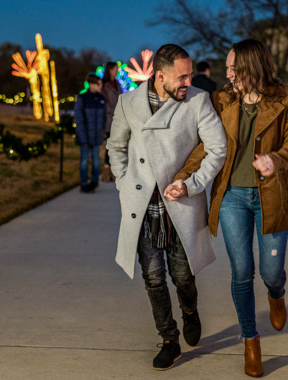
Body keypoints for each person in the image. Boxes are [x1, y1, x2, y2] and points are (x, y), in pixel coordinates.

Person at [165, 39, 288, 377]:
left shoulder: (286, 97)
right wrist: (183, 178)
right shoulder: (222, 100)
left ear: (252, 68)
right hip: (231, 198)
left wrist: (276, 159)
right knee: (241, 273)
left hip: (272, 198)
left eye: (233, 68)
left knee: (270, 273)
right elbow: (205, 146)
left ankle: (277, 293)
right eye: (228, 67)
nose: (227, 73)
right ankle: (251, 341)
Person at [106, 44, 226, 370]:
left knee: (183, 275)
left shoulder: (197, 101)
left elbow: (217, 148)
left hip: (181, 203)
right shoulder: (129, 102)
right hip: (144, 207)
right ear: (160, 76)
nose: (189, 81)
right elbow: (115, 146)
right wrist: (122, 183)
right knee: (154, 277)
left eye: (190, 74)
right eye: (182, 76)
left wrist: (192, 183)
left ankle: (189, 309)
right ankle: (169, 340)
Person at [74, 73, 106, 193]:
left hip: (96, 137)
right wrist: (83, 138)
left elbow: (103, 118)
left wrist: (102, 132)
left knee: (96, 161)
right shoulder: (82, 98)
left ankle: (94, 181)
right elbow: (79, 120)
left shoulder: (101, 99)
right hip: (85, 138)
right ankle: (83, 183)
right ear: (91, 84)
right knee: (84, 160)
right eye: (98, 84)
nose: (100, 87)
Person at [101, 61, 121, 182]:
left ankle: (113, 169)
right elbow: (105, 102)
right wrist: (112, 111)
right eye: (115, 69)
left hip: (118, 118)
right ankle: (107, 169)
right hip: (109, 118)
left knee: (117, 144)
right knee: (110, 144)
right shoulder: (104, 85)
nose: (117, 71)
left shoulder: (117, 84)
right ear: (110, 70)